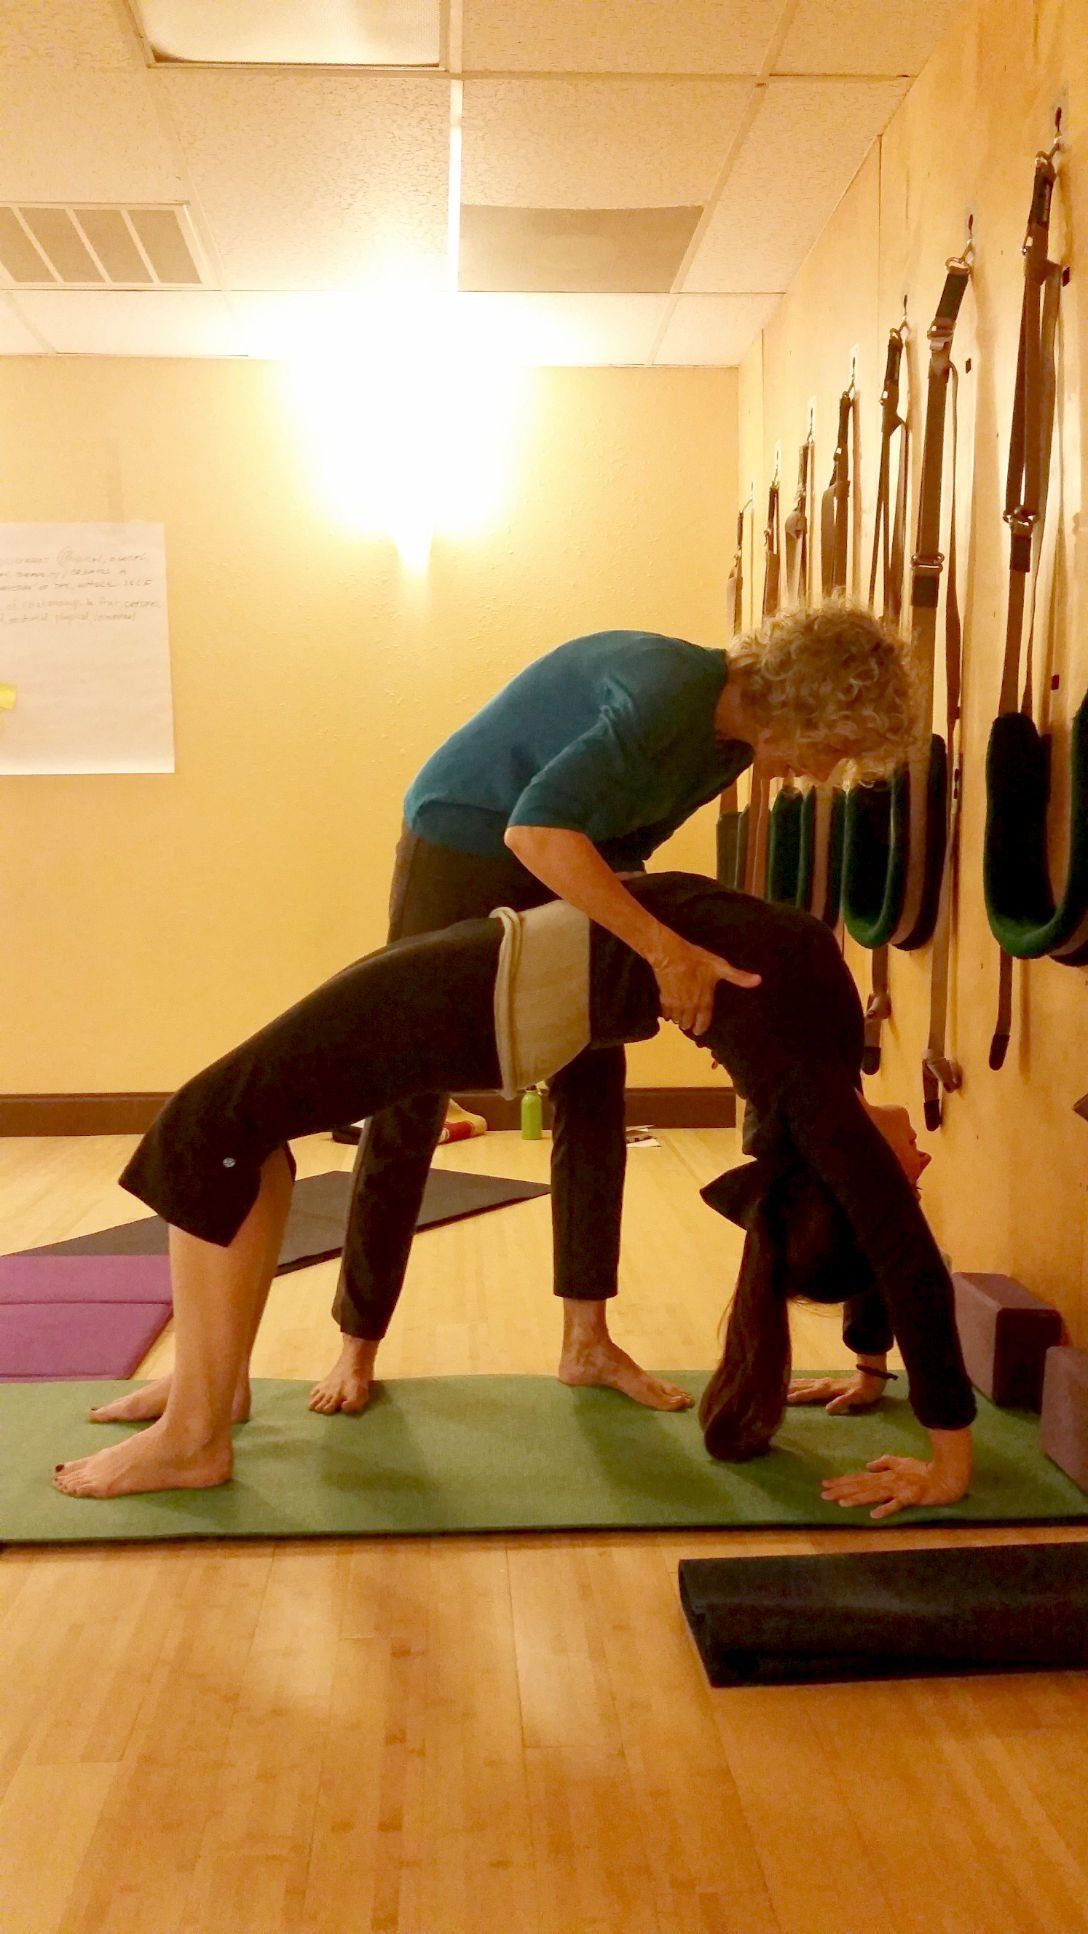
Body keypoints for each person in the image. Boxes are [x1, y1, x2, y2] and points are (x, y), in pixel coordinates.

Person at [54, 873, 974, 1513]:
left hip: (492, 998)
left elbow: (894, 1244)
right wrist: (867, 1367)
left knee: (206, 1127)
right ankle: (212, 1392)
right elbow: (877, 1234)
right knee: (226, 1128)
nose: (921, 1168)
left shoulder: (814, 1107)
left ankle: (195, 1433)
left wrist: (948, 1460)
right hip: (507, 979)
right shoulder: (817, 1092)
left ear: (845, 1178)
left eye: (904, 1182)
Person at [312, 603, 920, 1420]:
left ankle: (586, 1342)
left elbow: (618, 845)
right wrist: (665, 951)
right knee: (411, 1092)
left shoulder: (728, 746)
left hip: (561, 849)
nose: (824, 773)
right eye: (836, 749)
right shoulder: (669, 692)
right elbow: (535, 831)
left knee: (593, 1081)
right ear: (805, 706)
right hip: (462, 839)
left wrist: (667, 953)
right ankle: (356, 1342)